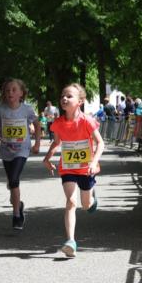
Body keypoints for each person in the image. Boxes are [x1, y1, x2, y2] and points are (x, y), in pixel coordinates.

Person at [43, 83, 104, 258]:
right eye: (63, 95)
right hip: (68, 168)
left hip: (86, 168)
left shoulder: (87, 121)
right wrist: (47, 157)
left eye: (69, 96)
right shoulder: (58, 123)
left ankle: (92, 197)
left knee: (86, 205)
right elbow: (56, 142)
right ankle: (70, 241)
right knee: (71, 201)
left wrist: (94, 161)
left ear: (80, 101)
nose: (64, 98)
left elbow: (101, 143)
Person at [0, 78, 41, 231]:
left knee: (13, 180)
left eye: (13, 90)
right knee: (12, 184)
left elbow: (37, 124)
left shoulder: (27, 109)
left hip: (22, 149)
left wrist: (37, 143)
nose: (10, 93)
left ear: (21, 93)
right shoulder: (0, 108)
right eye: (7, 90)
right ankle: (18, 204)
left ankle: (16, 216)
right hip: (6, 150)